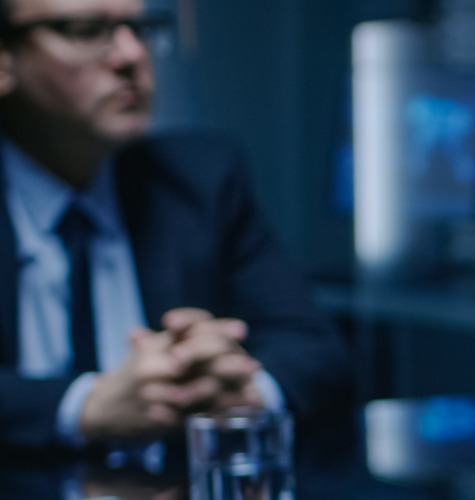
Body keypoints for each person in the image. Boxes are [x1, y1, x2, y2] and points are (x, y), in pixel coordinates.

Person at [0, 0, 347, 455]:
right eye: (85, 30)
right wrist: (84, 407)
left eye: (141, 29)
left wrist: (232, 387)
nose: (131, 55)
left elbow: (315, 350)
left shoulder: (199, 178)